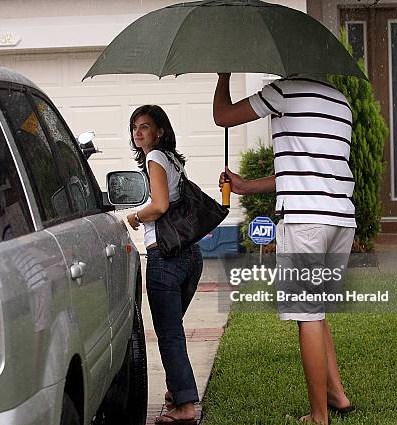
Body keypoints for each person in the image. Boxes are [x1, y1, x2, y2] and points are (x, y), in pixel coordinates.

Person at [213, 74, 355, 425]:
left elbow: (223, 116)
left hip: (306, 220)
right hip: (341, 220)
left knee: (305, 314)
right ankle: (337, 395)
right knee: (315, 310)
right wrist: (246, 187)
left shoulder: (283, 91)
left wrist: (223, 77)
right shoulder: (340, 101)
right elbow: (306, 170)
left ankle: (319, 416)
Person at [126, 105, 202, 425]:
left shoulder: (156, 158)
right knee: (173, 331)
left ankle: (184, 407)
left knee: (169, 334)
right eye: (134, 127)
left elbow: (159, 205)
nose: (138, 132)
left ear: (159, 131)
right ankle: (177, 390)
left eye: (145, 126)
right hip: (190, 256)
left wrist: (133, 216)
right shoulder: (173, 160)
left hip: (165, 258)